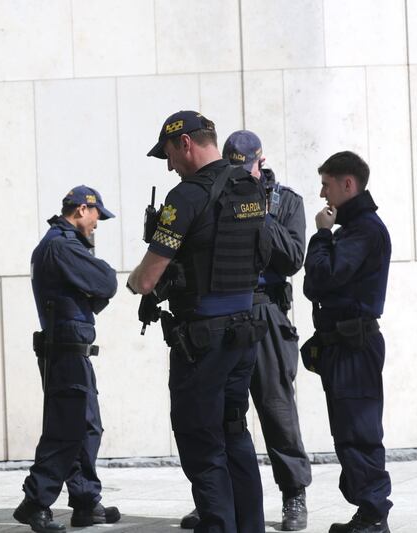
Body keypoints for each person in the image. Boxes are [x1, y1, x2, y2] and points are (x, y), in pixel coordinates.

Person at [127, 111, 268, 533]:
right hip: (245, 331)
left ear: (185, 143)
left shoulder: (186, 196)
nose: (169, 165)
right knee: (235, 432)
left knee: (201, 441)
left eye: (168, 154)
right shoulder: (251, 187)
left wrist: (135, 284)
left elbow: (147, 278)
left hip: (203, 341)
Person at [179, 130, 311, 531]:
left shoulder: (286, 201)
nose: (241, 172)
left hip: (266, 310)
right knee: (218, 413)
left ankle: (294, 494)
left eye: (247, 165)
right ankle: (216, 500)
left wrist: (259, 214)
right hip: (224, 311)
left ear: (261, 160)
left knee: (275, 407)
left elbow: (291, 259)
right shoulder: (218, 192)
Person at [13, 186, 121, 533]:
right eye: (96, 216)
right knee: (67, 427)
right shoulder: (62, 245)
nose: (97, 224)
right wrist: (96, 282)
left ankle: (85, 500)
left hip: (71, 348)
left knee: (87, 425)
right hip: (65, 350)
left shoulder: (61, 244)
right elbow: (106, 281)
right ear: (80, 210)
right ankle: (36, 502)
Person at [302, 151, 392, 533]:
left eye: (327, 184)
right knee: (348, 433)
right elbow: (314, 284)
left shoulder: (364, 230)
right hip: (342, 346)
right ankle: (366, 513)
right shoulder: (353, 230)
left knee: (359, 432)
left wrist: (321, 235)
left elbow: (323, 277)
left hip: (354, 347)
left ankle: (373, 516)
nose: (323, 193)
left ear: (347, 184)